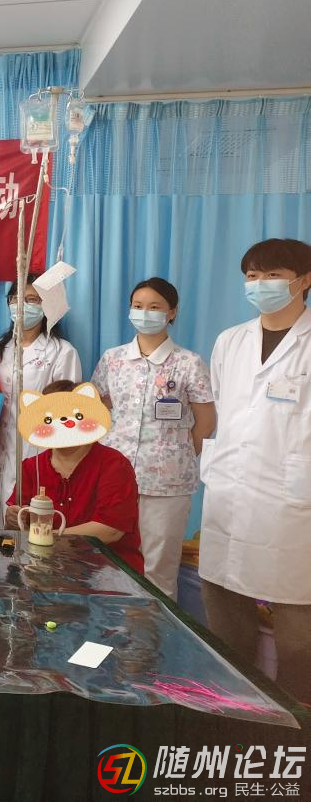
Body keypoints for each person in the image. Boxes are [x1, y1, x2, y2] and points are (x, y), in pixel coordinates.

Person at [200, 238, 311, 702]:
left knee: (297, 622)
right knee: (224, 607)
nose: (260, 284)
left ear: (303, 281)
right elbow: (224, 408)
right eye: (252, 276)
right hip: (228, 490)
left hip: (292, 500)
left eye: (273, 275)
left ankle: (297, 717)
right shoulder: (230, 341)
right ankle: (234, 705)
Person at [91, 277, 215, 599]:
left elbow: (206, 422)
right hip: (115, 475)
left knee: (157, 568)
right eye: (138, 306)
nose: (144, 313)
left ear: (171, 312)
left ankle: (155, 631)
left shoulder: (189, 363)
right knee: (109, 563)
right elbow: (98, 409)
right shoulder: (113, 359)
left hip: (167, 482)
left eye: (154, 307)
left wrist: (177, 455)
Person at [5, 380, 143, 573]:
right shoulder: (30, 467)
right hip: (45, 570)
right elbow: (18, 522)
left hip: (107, 572)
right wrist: (12, 518)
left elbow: (110, 530)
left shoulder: (114, 465)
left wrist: (48, 537)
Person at [0, 276, 82, 524]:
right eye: (16, 298)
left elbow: (67, 409)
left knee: (33, 522)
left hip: (39, 448)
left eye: (32, 299)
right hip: (0, 446)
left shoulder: (61, 351)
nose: (22, 305)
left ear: (47, 306)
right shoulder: (0, 348)